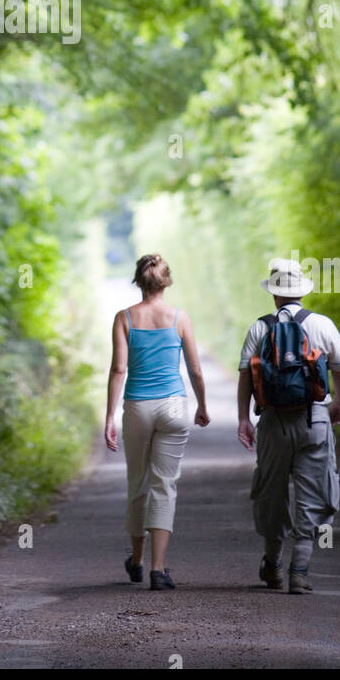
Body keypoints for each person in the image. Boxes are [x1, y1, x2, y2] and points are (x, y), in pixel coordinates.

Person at [237, 257, 340, 595]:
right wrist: (339, 404)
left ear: (274, 295)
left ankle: (271, 565)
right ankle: (299, 571)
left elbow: (246, 374)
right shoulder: (323, 325)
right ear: (302, 293)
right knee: (313, 494)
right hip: (314, 419)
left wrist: (244, 418)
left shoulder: (260, 328)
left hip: (272, 422)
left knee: (271, 493)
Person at [105, 253, 210, 590]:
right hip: (174, 407)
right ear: (168, 281)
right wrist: (202, 405)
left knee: (137, 483)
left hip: (137, 407)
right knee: (165, 485)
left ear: (138, 281)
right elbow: (195, 369)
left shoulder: (124, 318)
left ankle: (136, 561)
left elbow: (119, 370)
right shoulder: (180, 318)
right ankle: (159, 570)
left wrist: (109, 416)